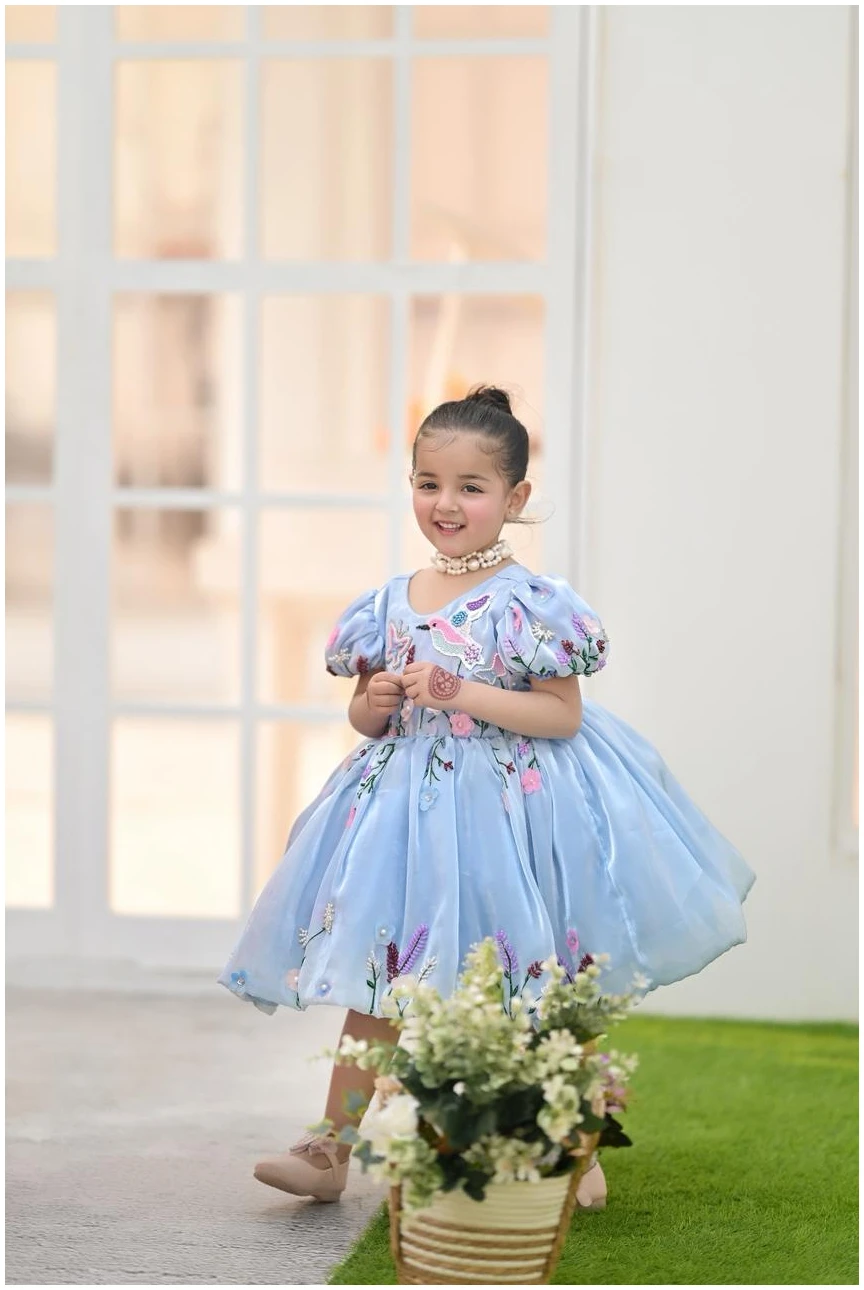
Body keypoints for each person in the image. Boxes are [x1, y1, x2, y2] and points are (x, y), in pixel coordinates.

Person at [218, 385, 755, 1209]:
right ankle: (331, 1147)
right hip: (404, 822)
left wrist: (460, 691)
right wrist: (377, 701)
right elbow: (365, 716)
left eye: (471, 487)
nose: (446, 503)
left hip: (512, 815)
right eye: (428, 483)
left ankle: (572, 1144)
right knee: (382, 976)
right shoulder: (389, 601)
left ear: (515, 496)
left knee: (534, 982)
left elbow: (561, 715)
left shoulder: (527, 604)